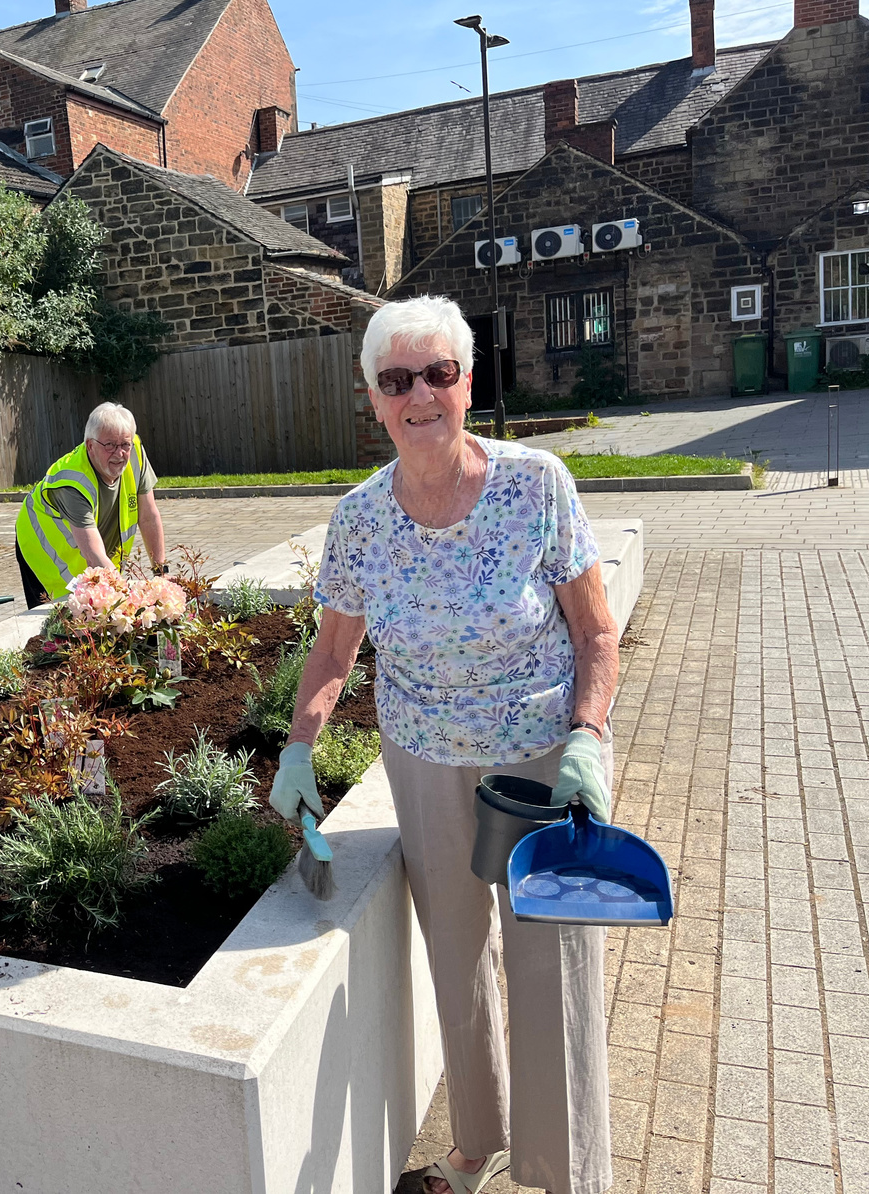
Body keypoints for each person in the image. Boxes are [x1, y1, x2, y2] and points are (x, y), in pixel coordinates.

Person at [269, 296, 619, 1194]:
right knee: (455, 957)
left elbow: (594, 633)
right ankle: (474, 1145)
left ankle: (568, 1167)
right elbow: (333, 653)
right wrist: (298, 749)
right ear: (373, 400)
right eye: (396, 380)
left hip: (541, 756)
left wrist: (585, 735)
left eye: (438, 373)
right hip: (424, 761)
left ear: (467, 382)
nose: (419, 394)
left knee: (549, 957)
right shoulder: (357, 519)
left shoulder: (535, 484)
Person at [14, 401, 169, 606]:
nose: (119, 453)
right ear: (90, 445)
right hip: (44, 555)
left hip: (90, 552)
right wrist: (130, 601)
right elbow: (93, 554)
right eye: (110, 445)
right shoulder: (72, 483)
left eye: (124, 444)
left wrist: (161, 575)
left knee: (103, 608)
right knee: (60, 621)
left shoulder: (136, 453)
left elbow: (148, 516)